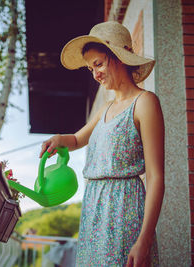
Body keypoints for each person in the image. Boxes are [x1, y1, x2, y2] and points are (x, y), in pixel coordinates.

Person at [40, 21, 164, 266]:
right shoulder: (106, 107)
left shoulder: (145, 102)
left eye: (98, 64)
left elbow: (156, 177)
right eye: (90, 68)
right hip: (93, 209)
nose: (95, 73)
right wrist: (57, 139)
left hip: (123, 209)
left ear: (119, 57)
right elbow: (77, 139)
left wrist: (144, 240)